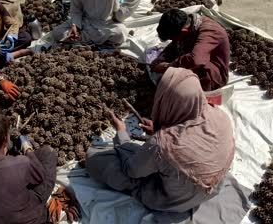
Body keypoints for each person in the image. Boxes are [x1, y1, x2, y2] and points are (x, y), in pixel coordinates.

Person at [86, 67, 235, 212]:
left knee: (96, 159)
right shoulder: (221, 116)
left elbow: (132, 170)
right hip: (212, 188)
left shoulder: (161, 144)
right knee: (157, 160)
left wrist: (121, 133)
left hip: (173, 200)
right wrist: (158, 129)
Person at [0, 109, 57, 224]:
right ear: (6, 138)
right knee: (48, 153)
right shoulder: (21, 163)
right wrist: (27, 149)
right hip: (36, 219)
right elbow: (39, 176)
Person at [151, 9, 230, 91]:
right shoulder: (186, 24)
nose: (172, 40)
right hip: (193, 59)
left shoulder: (210, 31)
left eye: (172, 38)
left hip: (211, 74)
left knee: (175, 89)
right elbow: (174, 44)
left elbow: (196, 60)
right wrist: (161, 59)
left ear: (183, 32)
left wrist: (167, 67)